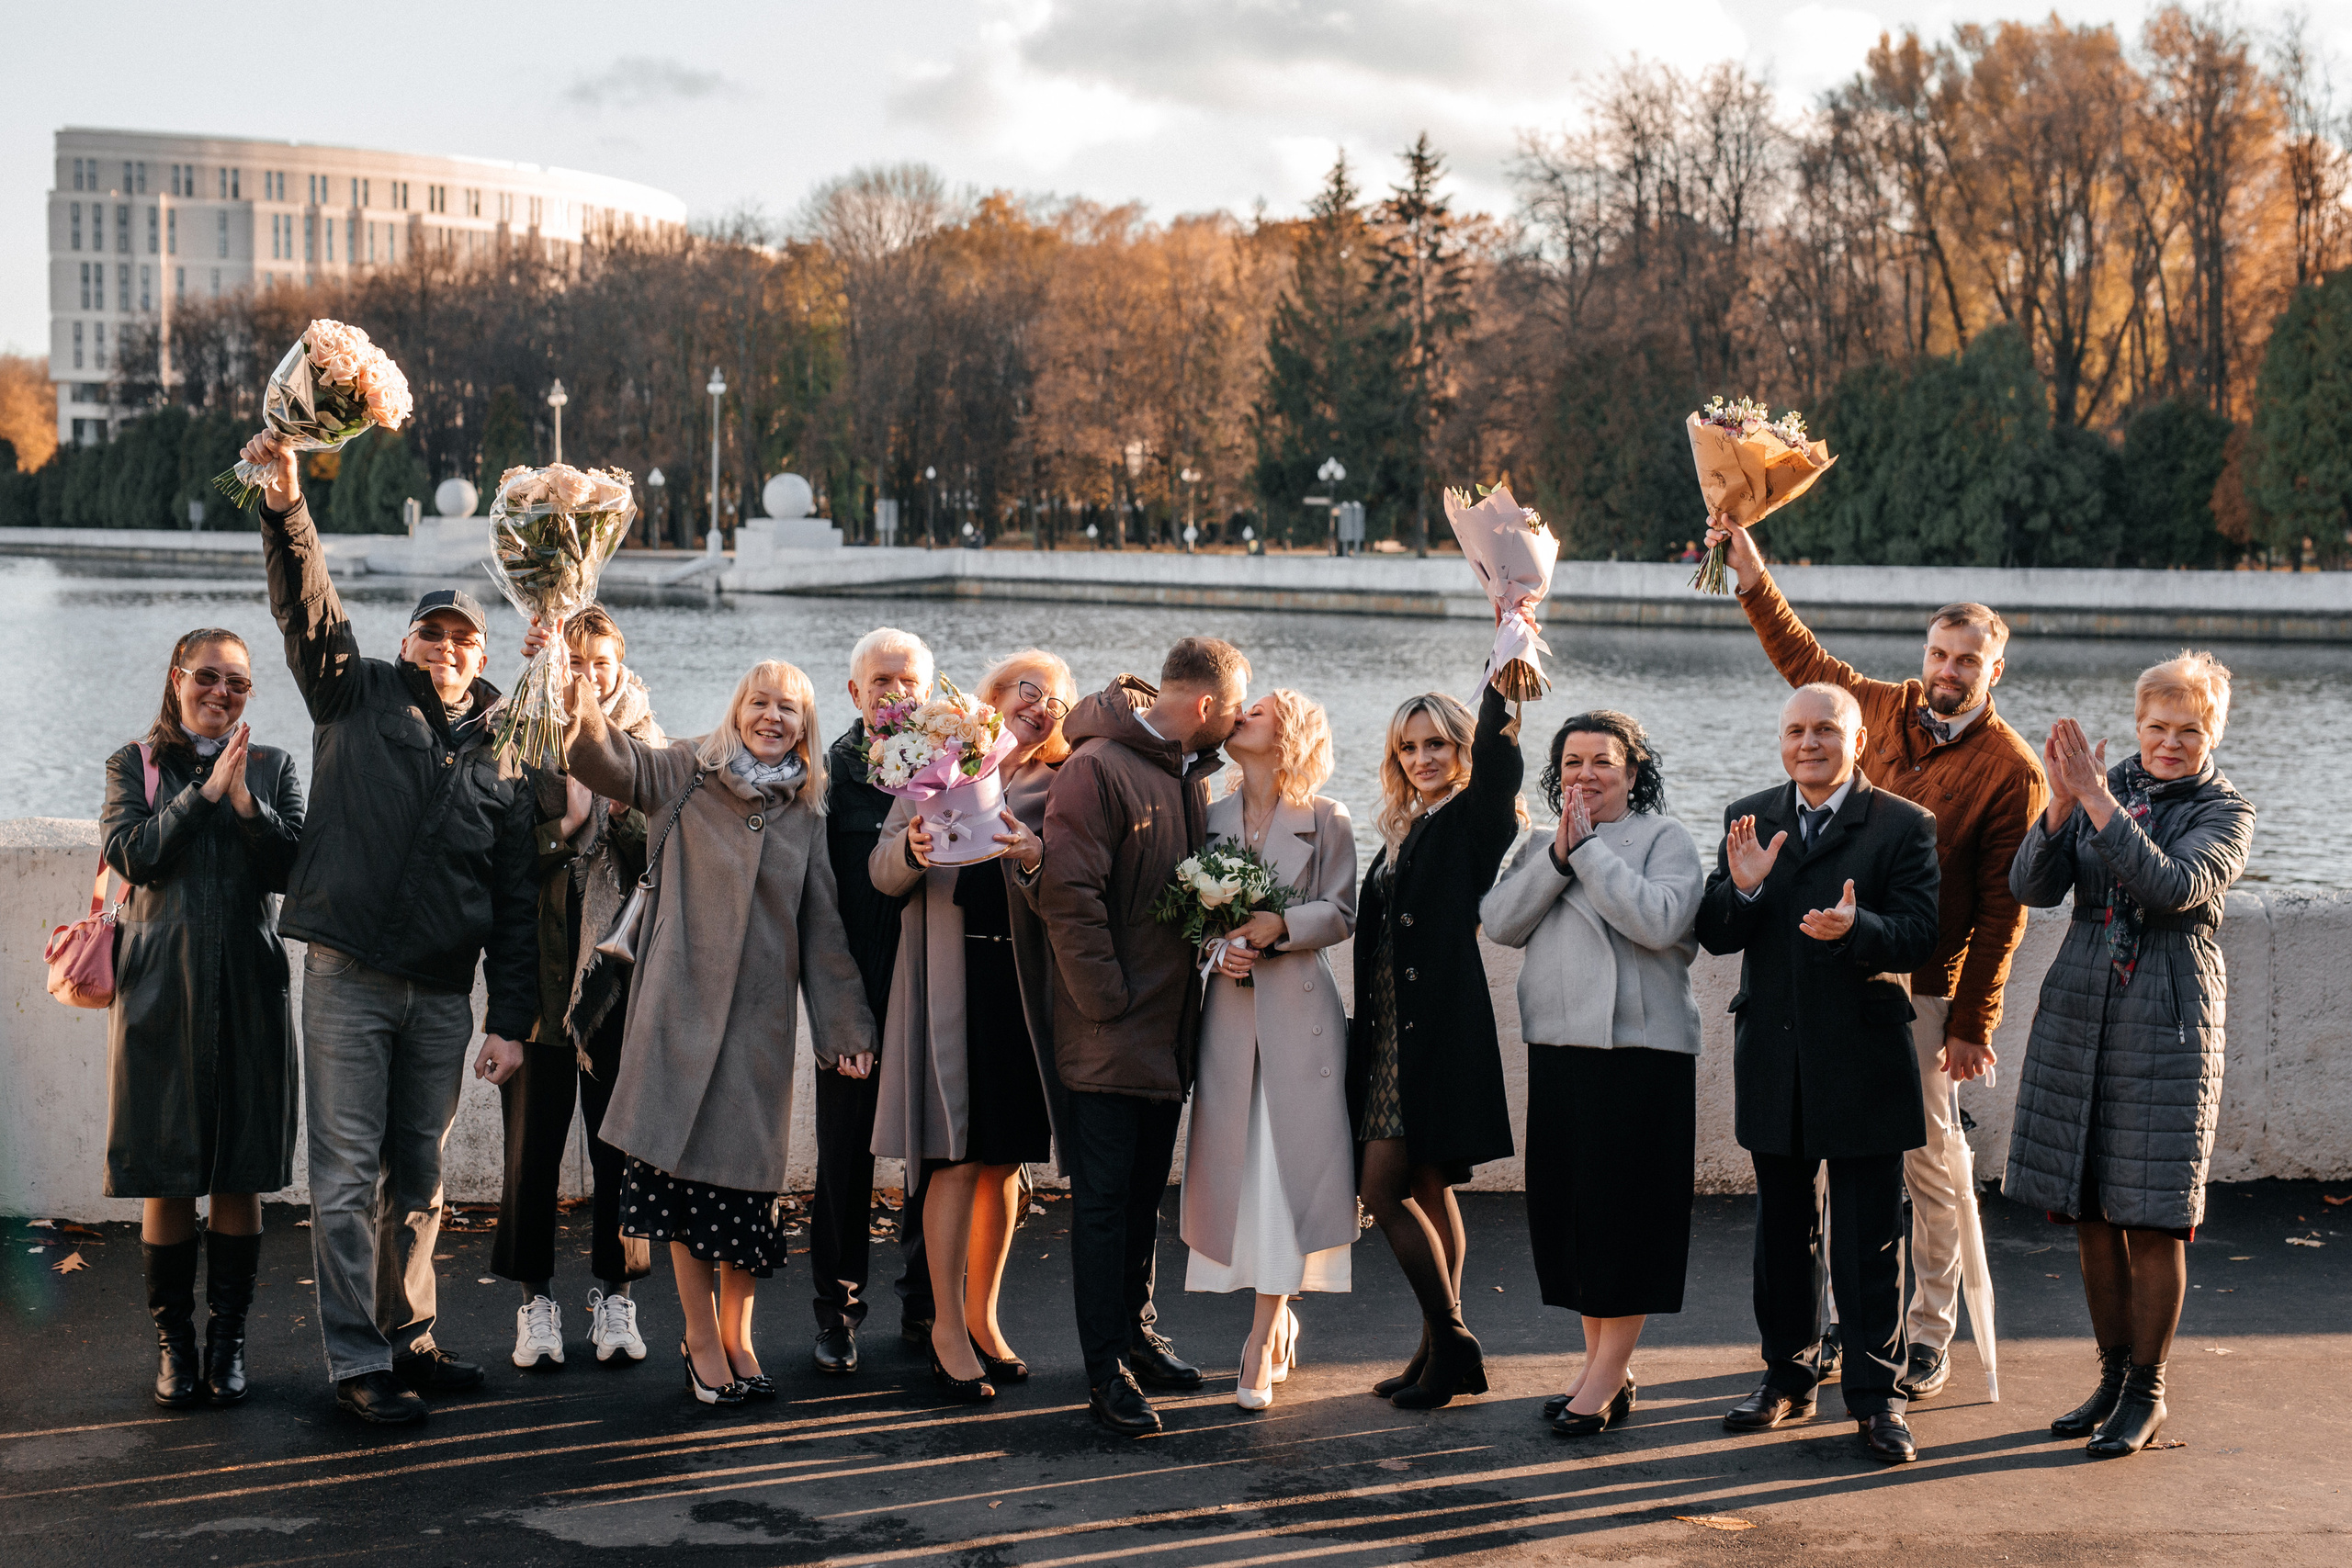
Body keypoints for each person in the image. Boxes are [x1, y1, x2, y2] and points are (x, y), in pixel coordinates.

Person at [1702, 518, 2047, 1401]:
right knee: (1812, 1186)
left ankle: (1924, 1337)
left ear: (1992, 670)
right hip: (1817, 989)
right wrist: (1750, 574)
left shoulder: (2010, 768)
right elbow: (1801, 659)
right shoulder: (1880, 708)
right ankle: (1813, 1345)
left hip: (1921, 986)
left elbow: (2004, 911)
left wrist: (1973, 1022)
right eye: (1939, 652)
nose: (1947, 669)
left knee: (1929, 1170)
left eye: (1968, 659)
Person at [243, 431, 537, 1427]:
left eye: (464, 638)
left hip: (445, 994)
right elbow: (306, 605)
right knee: (342, 1178)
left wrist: (514, 1018)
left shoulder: (505, 751)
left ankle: (408, 1339)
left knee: (420, 1178)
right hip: (349, 976)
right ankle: (357, 1360)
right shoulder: (354, 691)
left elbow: (515, 900)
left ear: (482, 655)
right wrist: (287, 511)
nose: (446, 647)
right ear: (406, 641)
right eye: (431, 633)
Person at [563, 657, 876, 1409]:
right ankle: (701, 1340)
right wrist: (567, 684)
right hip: (676, 1021)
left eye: (789, 709)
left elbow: (825, 930)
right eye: (760, 702)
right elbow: (601, 756)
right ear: (738, 708)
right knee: (680, 1196)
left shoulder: (807, 810)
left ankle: (738, 1336)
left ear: (807, 727)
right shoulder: (683, 773)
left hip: (758, 1035)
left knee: (744, 1205)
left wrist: (845, 1028)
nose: (773, 717)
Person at [2005, 651, 2255, 1459]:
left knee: (2151, 1217)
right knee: (2087, 1209)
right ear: (2138, 723)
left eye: (2189, 729)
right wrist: (2055, 807)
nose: (2170, 743)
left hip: (2169, 1014)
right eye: (2157, 727)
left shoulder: (2227, 811)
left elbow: (2172, 887)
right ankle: (2112, 1379)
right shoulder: (2097, 786)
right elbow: (2032, 888)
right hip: (2082, 1007)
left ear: (2211, 730)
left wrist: (2096, 799)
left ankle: (2148, 1392)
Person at [1696, 683, 1941, 1464]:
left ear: (1857, 740)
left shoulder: (1905, 825)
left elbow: (1920, 935)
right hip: (1775, 1056)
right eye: (1796, 730)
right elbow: (1714, 932)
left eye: (1826, 730)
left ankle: (1877, 1399)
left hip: (1864, 1060)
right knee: (1782, 1231)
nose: (1810, 742)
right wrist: (1743, 886)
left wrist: (1857, 927)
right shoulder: (1751, 814)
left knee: (1872, 1237)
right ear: (1781, 740)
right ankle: (1787, 1378)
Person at [1039, 636, 1249, 1437]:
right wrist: (1110, 1002)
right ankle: (1103, 1373)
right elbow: (1068, 892)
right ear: (1205, 705)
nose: (1235, 722)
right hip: (1112, 1033)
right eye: (1233, 707)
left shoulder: (1183, 774)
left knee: (1136, 1204)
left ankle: (1134, 1334)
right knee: (1101, 1207)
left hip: (1164, 1034)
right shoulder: (1098, 767)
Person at [1479, 710, 1702, 1437]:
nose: (1585, 774)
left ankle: (1607, 1373)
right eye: (1572, 761)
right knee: (1577, 1218)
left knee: (1626, 1220)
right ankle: (1602, 1364)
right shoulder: (1542, 844)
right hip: (1561, 1048)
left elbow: (1661, 922)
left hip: (1642, 1056)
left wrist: (1591, 856)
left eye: (1602, 761)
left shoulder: (1665, 839)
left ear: (1632, 772)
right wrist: (1557, 857)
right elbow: (1500, 921)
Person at [103, 628, 304, 1408]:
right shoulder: (137, 763)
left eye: (239, 684)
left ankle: (228, 1342)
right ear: (177, 678)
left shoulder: (276, 766)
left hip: (249, 988)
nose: (222, 693)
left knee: (238, 1170)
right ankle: (174, 1345)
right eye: (209, 677)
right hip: (159, 990)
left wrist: (248, 803)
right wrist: (202, 794)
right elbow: (131, 854)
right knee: (168, 1171)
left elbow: (290, 868)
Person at [870, 650, 1078, 1404]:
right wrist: (911, 848)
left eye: (1057, 697)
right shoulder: (939, 759)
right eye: (1029, 688)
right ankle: (945, 1329)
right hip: (948, 982)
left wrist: (1034, 857)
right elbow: (879, 870)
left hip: (1020, 991)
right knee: (953, 1159)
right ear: (992, 698)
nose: (1043, 704)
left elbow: (1072, 888)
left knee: (1003, 1165)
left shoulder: (1064, 784)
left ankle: (985, 1320)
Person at [1180, 689, 1359, 1412]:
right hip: (1229, 1021)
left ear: (1286, 733)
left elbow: (1343, 911)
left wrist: (1276, 925)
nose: (1239, 714)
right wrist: (1218, 951)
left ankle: (1258, 1335)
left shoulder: (1326, 818)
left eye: (1255, 709)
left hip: (1300, 1023)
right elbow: (1189, 922)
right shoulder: (1209, 816)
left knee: (1287, 1177)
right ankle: (1277, 1314)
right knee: (1242, 1175)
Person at [492, 608, 660, 1371]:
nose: (589, 674)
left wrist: (610, 811)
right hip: (538, 977)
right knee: (531, 1153)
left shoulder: (646, 744)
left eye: (600, 661)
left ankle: (616, 1296)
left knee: (620, 1146)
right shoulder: (525, 733)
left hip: (618, 984)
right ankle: (536, 1304)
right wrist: (562, 826)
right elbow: (503, 850)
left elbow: (661, 857)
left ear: (620, 664)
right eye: (577, 662)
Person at [1351, 679, 1523, 1410]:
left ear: (1461, 749)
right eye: (1409, 746)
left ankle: (1452, 1338)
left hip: (1436, 1026)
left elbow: (1501, 760)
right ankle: (1433, 1352)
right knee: (1425, 1185)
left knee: (1379, 1188)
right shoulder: (1409, 823)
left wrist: (1500, 680)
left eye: (1437, 744)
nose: (1422, 757)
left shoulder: (1473, 817)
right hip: (1395, 1026)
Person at [815, 627, 937, 1373]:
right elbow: (821, 913)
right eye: (882, 681)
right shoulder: (830, 779)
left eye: (910, 682)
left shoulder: (952, 768)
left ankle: (925, 1308)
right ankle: (836, 1313)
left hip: (931, 1000)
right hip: (854, 998)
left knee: (934, 1162)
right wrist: (841, 1017)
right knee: (843, 1166)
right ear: (855, 693)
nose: (897, 693)